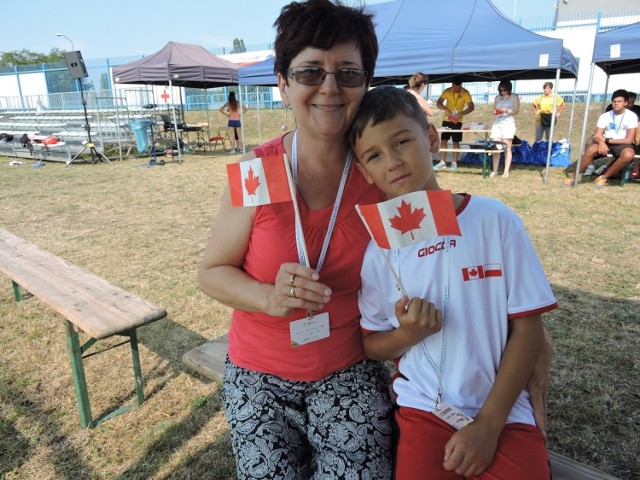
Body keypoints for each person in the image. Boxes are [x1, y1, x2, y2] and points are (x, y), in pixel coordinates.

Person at [198, 1, 394, 477]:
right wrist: (267, 297)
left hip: (349, 369)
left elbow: (449, 249)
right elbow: (211, 273)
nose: (329, 87)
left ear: (366, 83)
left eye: (348, 73)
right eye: (310, 72)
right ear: (283, 84)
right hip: (257, 376)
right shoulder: (256, 172)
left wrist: (529, 333)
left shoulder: (382, 172)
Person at [348, 86, 557, 479]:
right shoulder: (380, 250)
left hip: (504, 411)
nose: (392, 162)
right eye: (374, 155)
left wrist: (489, 425)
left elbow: (529, 332)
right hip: (426, 410)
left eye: (402, 142)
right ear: (364, 171)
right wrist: (407, 333)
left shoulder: (497, 221)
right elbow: (372, 344)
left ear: (431, 139)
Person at [564, 89, 637, 189]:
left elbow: (629, 140)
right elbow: (597, 135)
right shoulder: (605, 116)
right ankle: (573, 178)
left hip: (622, 143)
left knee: (629, 154)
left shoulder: (631, 116)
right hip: (605, 141)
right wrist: (602, 141)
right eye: (614, 102)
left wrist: (607, 141)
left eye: (619, 102)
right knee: (591, 149)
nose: (616, 104)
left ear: (625, 103)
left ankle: (603, 177)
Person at [434, 76, 475, 171]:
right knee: (444, 140)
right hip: (447, 119)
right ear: (452, 85)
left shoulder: (465, 93)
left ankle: (454, 162)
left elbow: (471, 107)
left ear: (461, 85)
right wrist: (446, 110)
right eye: (454, 86)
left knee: (456, 141)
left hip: (457, 120)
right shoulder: (447, 91)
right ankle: (442, 162)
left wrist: (461, 114)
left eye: (458, 87)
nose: (456, 88)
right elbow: (438, 103)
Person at [489, 80, 520, 178]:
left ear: (509, 89)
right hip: (498, 122)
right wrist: (496, 112)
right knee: (496, 146)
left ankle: (506, 171)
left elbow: (516, 111)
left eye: (505, 90)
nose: (503, 92)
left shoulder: (514, 97)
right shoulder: (497, 98)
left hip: (508, 122)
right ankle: (495, 170)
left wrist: (507, 110)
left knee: (507, 146)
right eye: (501, 90)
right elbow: (494, 110)